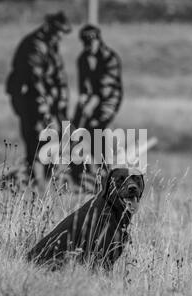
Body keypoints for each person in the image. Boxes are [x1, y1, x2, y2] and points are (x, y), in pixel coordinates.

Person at [5, 11, 71, 183]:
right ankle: (37, 181)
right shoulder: (34, 45)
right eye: (58, 32)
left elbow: (58, 74)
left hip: (46, 98)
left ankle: (50, 177)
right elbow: (35, 79)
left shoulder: (51, 43)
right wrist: (47, 103)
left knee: (56, 134)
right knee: (37, 137)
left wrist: (62, 99)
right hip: (30, 99)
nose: (60, 37)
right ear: (50, 28)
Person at [71, 24, 123, 185]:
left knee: (98, 131)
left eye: (91, 43)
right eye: (85, 43)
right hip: (91, 100)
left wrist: (91, 104)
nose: (88, 46)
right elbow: (84, 85)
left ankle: (107, 175)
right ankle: (79, 174)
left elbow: (106, 89)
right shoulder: (82, 59)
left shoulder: (110, 58)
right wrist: (83, 99)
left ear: (98, 40)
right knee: (76, 130)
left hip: (108, 102)